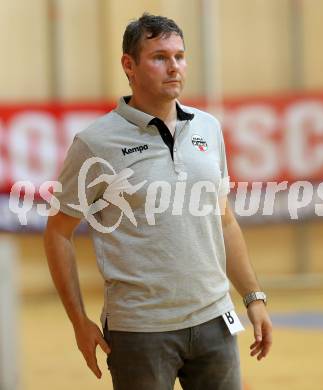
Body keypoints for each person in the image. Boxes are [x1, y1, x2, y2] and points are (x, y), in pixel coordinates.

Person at [44, 13, 272, 390]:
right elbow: (57, 233)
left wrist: (253, 297)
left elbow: (224, 220)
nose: (174, 68)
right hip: (139, 331)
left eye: (180, 56)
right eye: (160, 57)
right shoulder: (95, 143)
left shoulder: (208, 128)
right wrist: (78, 321)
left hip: (215, 321)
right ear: (128, 65)